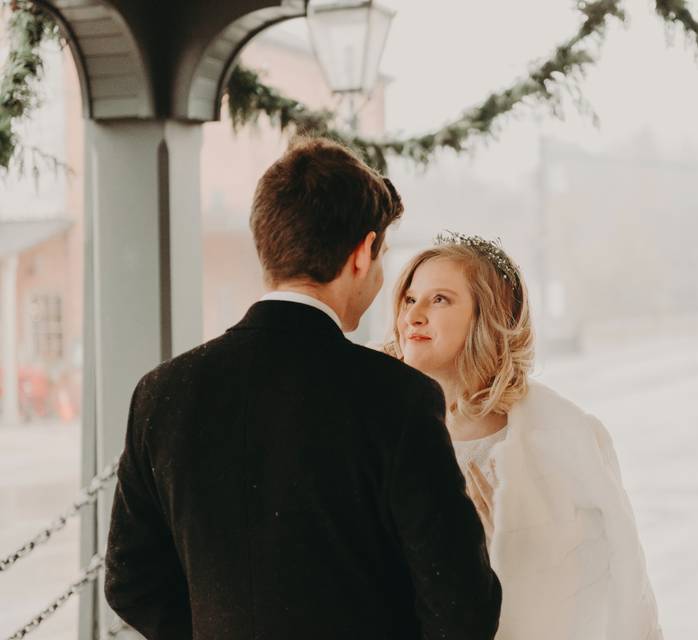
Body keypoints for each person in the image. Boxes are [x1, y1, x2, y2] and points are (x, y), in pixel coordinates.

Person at [104, 140, 502, 640]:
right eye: (380, 258)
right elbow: (463, 608)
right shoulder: (398, 398)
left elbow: (130, 583)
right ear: (361, 254)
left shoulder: (161, 394)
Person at [384, 232, 662, 640]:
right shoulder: (371, 426)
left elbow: (618, 592)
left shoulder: (565, 442)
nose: (414, 315)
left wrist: (499, 550)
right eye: (410, 299)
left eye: (439, 299)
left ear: (488, 315)